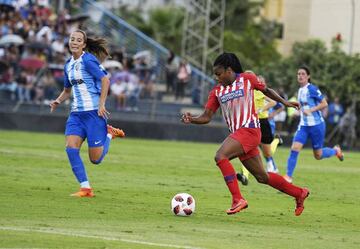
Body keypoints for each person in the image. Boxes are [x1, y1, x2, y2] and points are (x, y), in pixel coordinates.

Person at [181, 52, 309, 216]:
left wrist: (285, 102)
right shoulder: (217, 92)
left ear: (229, 70)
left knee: (220, 156)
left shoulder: (247, 78)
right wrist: (192, 119)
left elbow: (266, 91)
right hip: (240, 135)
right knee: (262, 177)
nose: (217, 78)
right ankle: (299, 193)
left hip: (250, 130)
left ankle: (237, 199)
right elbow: (206, 117)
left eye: (219, 74)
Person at [49, 29, 125, 197]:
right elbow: (67, 90)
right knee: (71, 148)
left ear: (83, 45)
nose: (74, 42)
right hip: (76, 115)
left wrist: (101, 104)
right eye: (72, 39)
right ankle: (86, 188)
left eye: (78, 40)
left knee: (95, 160)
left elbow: (105, 80)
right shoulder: (68, 65)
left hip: (93, 115)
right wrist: (58, 100)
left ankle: (110, 134)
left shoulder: (88, 60)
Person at [284, 66, 344, 183]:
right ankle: (288, 177)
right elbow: (303, 106)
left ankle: (335, 151)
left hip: (317, 125)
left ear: (308, 76)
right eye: (298, 74)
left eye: (303, 74)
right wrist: (297, 110)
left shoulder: (312, 89)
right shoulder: (300, 91)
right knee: (294, 148)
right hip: (304, 126)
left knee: (318, 155)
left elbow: (324, 103)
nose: (300, 76)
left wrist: (311, 110)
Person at [236, 75, 279, 186]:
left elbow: (273, 102)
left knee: (267, 152)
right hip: (251, 123)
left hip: (263, 122)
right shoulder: (247, 92)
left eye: (261, 81)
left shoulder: (261, 92)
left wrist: (261, 109)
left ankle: (277, 141)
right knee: (247, 149)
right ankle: (244, 175)